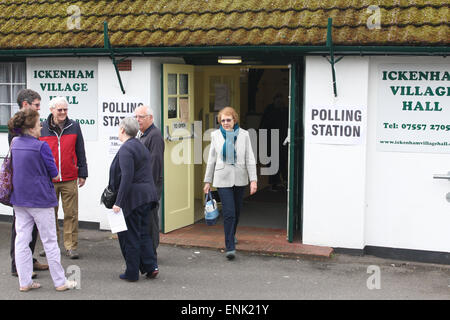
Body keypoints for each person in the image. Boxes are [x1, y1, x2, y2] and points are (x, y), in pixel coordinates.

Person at [8, 109, 77, 292]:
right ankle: (60, 282)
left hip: (20, 199)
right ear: (31, 128)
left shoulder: (14, 143)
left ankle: (25, 282)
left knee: (22, 240)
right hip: (40, 200)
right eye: (38, 123)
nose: (41, 125)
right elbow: (54, 173)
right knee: (50, 241)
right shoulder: (41, 146)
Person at [108, 117, 159, 281]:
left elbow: (127, 177)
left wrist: (118, 202)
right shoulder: (140, 145)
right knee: (144, 233)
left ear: (122, 130)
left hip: (134, 199)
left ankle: (131, 273)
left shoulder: (126, 149)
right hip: (147, 196)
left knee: (130, 236)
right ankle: (150, 267)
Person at [203, 106, 258, 260]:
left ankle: (232, 234)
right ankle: (230, 247)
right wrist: (207, 180)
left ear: (235, 120)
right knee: (229, 212)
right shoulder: (215, 135)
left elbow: (250, 158)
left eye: (229, 120)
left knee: (237, 211)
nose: (226, 123)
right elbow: (212, 159)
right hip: (222, 179)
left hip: (240, 178)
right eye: (223, 120)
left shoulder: (244, 135)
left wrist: (253, 180)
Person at [40, 96, 88, 259]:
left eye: (65, 109)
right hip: (48, 179)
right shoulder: (41, 127)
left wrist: (83, 172)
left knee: (71, 214)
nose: (62, 112)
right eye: (59, 109)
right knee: (48, 215)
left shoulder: (74, 126)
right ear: (51, 110)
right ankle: (50, 246)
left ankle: (71, 246)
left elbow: (80, 150)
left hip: (69, 177)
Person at [9, 89, 49, 279]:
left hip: (29, 190)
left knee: (28, 230)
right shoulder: (17, 132)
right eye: (36, 106)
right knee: (20, 231)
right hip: (24, 190)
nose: (38, 110)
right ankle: (18, 265)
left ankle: (28, 261)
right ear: (25, 105)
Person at [134, 105, 164, 256]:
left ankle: (152, 252)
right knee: (146, 219)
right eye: (136, 117)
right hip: (145, 185)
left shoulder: (155, 135)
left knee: (151, 220)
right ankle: (147, 251)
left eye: (141, 117)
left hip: (151, 186)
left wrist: (148, 187)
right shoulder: (142, 134)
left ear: (150, 118)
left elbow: (155, 162)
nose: (138, 120)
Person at [259, 93, 288, 191]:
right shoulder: (271, 111)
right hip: (271, 139)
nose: (280, 102)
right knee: (273, 162)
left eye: (281, 100)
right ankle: (274, 183)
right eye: (278, 100)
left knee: (282, 162)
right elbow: (264, 125)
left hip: (282, 140)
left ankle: (281, 182)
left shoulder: (284, 110)